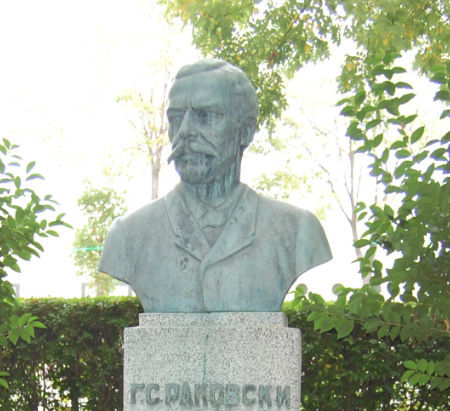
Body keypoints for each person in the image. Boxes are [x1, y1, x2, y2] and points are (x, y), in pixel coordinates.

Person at [99, 59, 331, 313]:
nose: (185, 131)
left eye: (205, 116)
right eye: (176, 118)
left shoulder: (297, 233)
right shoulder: (129, 236)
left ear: (246, 130)